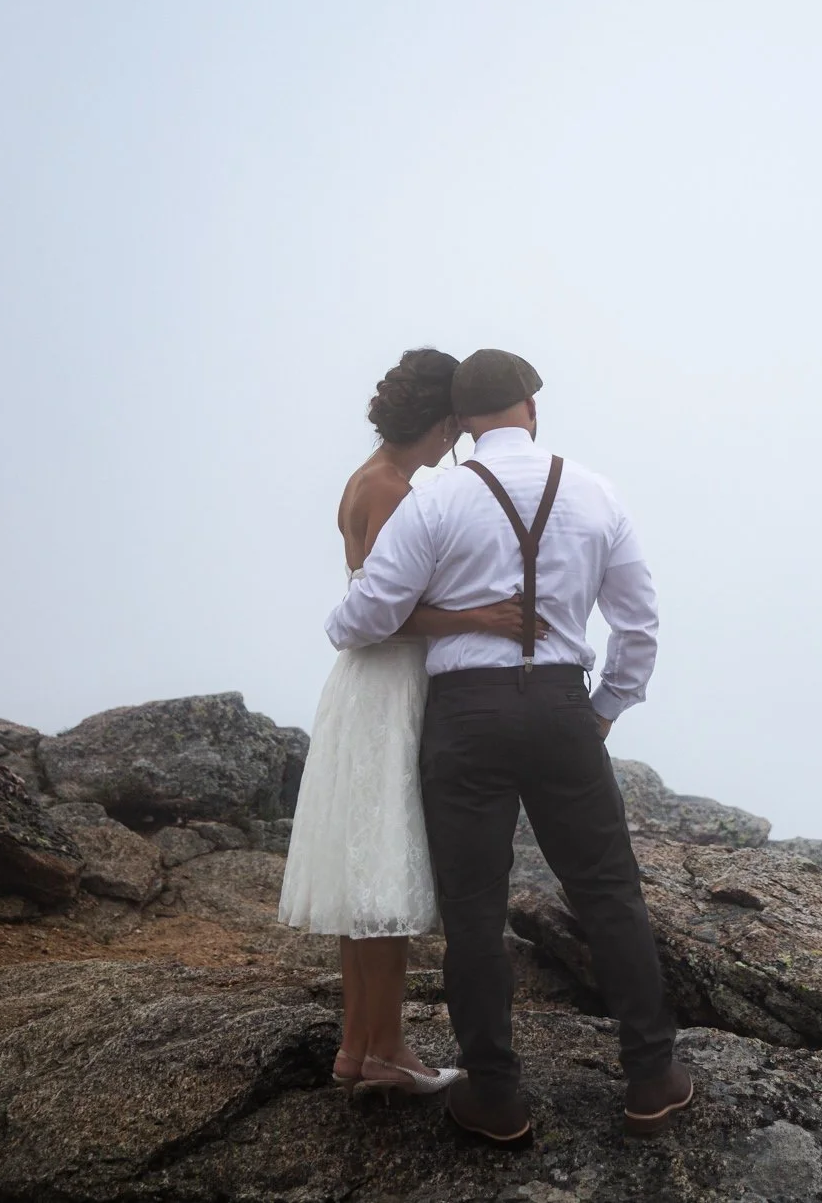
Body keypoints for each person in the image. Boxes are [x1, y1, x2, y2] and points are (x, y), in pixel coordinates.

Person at [324, 348, 689, 1144]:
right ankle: (651, 1078)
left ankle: (495, 1095)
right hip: (561, 707)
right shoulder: (596, 492)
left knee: (474, 913)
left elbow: (357, 621)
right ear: (530, 408)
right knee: (608, 893)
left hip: (463, 718)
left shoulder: (436, 500)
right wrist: (603, 709)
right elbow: (639, 623)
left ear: (464, 423)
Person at [279, 347, 544, 1100]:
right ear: (435, 423)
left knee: (364, 868)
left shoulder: (365, 480)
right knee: (384, 870)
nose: (456, 444)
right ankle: (387, 1046)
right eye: (453, 430)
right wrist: (483, 616)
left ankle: (358, 1044)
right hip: (390, 684)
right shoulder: (394, 490)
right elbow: (385, 614)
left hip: (362, 687)